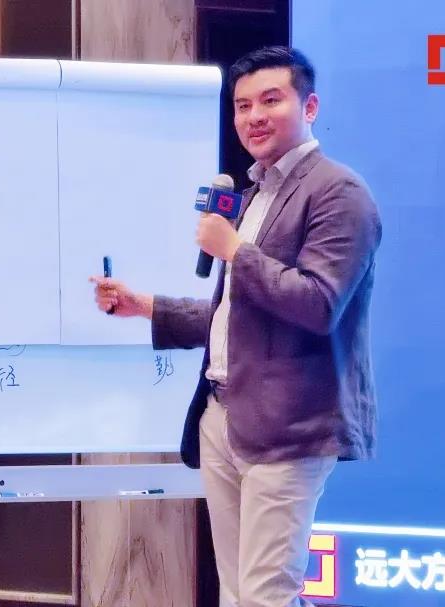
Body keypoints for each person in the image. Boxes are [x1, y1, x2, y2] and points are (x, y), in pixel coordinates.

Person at [90, 45, 381, 607]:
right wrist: (144, 305)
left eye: (271, 100)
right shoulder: (254, 195)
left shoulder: (338, 193)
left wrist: (236, 250)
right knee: (238, 591)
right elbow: (237, 317)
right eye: (243, 106)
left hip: (289, 425)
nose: (253, 117)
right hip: (223, 416)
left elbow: (320, 304)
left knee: (267, 594)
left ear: (310, 107)